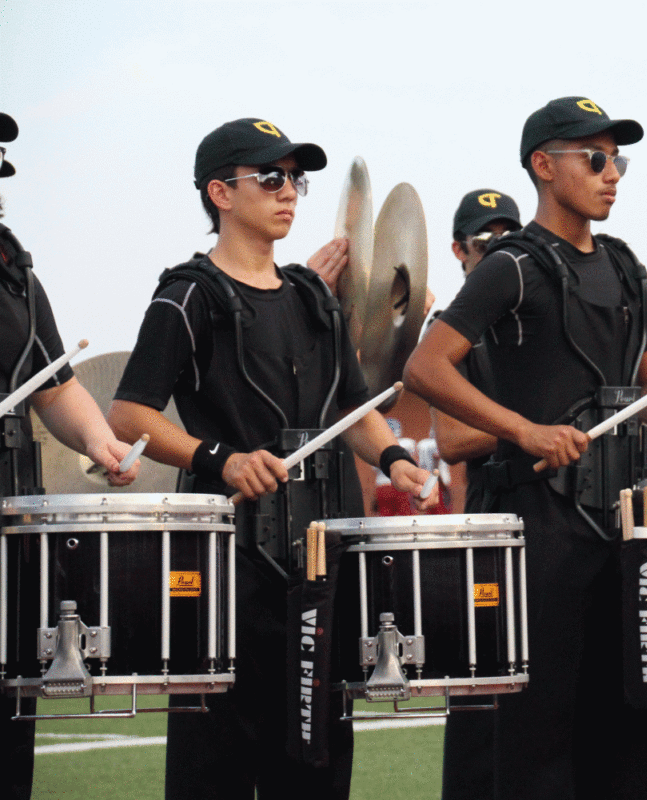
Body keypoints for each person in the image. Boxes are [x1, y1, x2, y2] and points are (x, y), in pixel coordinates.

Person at [405, 96, 647, 800]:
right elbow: (426, 367)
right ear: (544, 167)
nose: (612, 174)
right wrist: (523, 429)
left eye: (617, 160)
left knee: (625, 719)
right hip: (539, 521)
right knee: (538, 729)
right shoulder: (512, 265)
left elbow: (637, 375)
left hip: (625, 523)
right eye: (596, 158)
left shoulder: (626, 266)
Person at [107, 117, 435, 800]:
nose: (290, 192)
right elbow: (131, 414)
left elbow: (353, 410)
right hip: (228, 571)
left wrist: (396, 459)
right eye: (271, 177)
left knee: (316, 759)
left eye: (296, 178)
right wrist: (220, 458)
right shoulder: (187, 294)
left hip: (318, 563)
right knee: (217, 762)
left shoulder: (312, 297)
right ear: (219, 193)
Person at [0, 111, 140, 800]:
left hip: (8, 531)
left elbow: (53, 388)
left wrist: (100, 441)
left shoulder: (16, 276)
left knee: (7, 732)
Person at [435, 188, 521, 800]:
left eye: (508, 238)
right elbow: (452, 440)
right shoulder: (455, 333)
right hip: (490, 520)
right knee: (480, 687)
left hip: (558, 519)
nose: (498, 250)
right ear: (460, 251)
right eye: (485, 241)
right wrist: (527, 427)